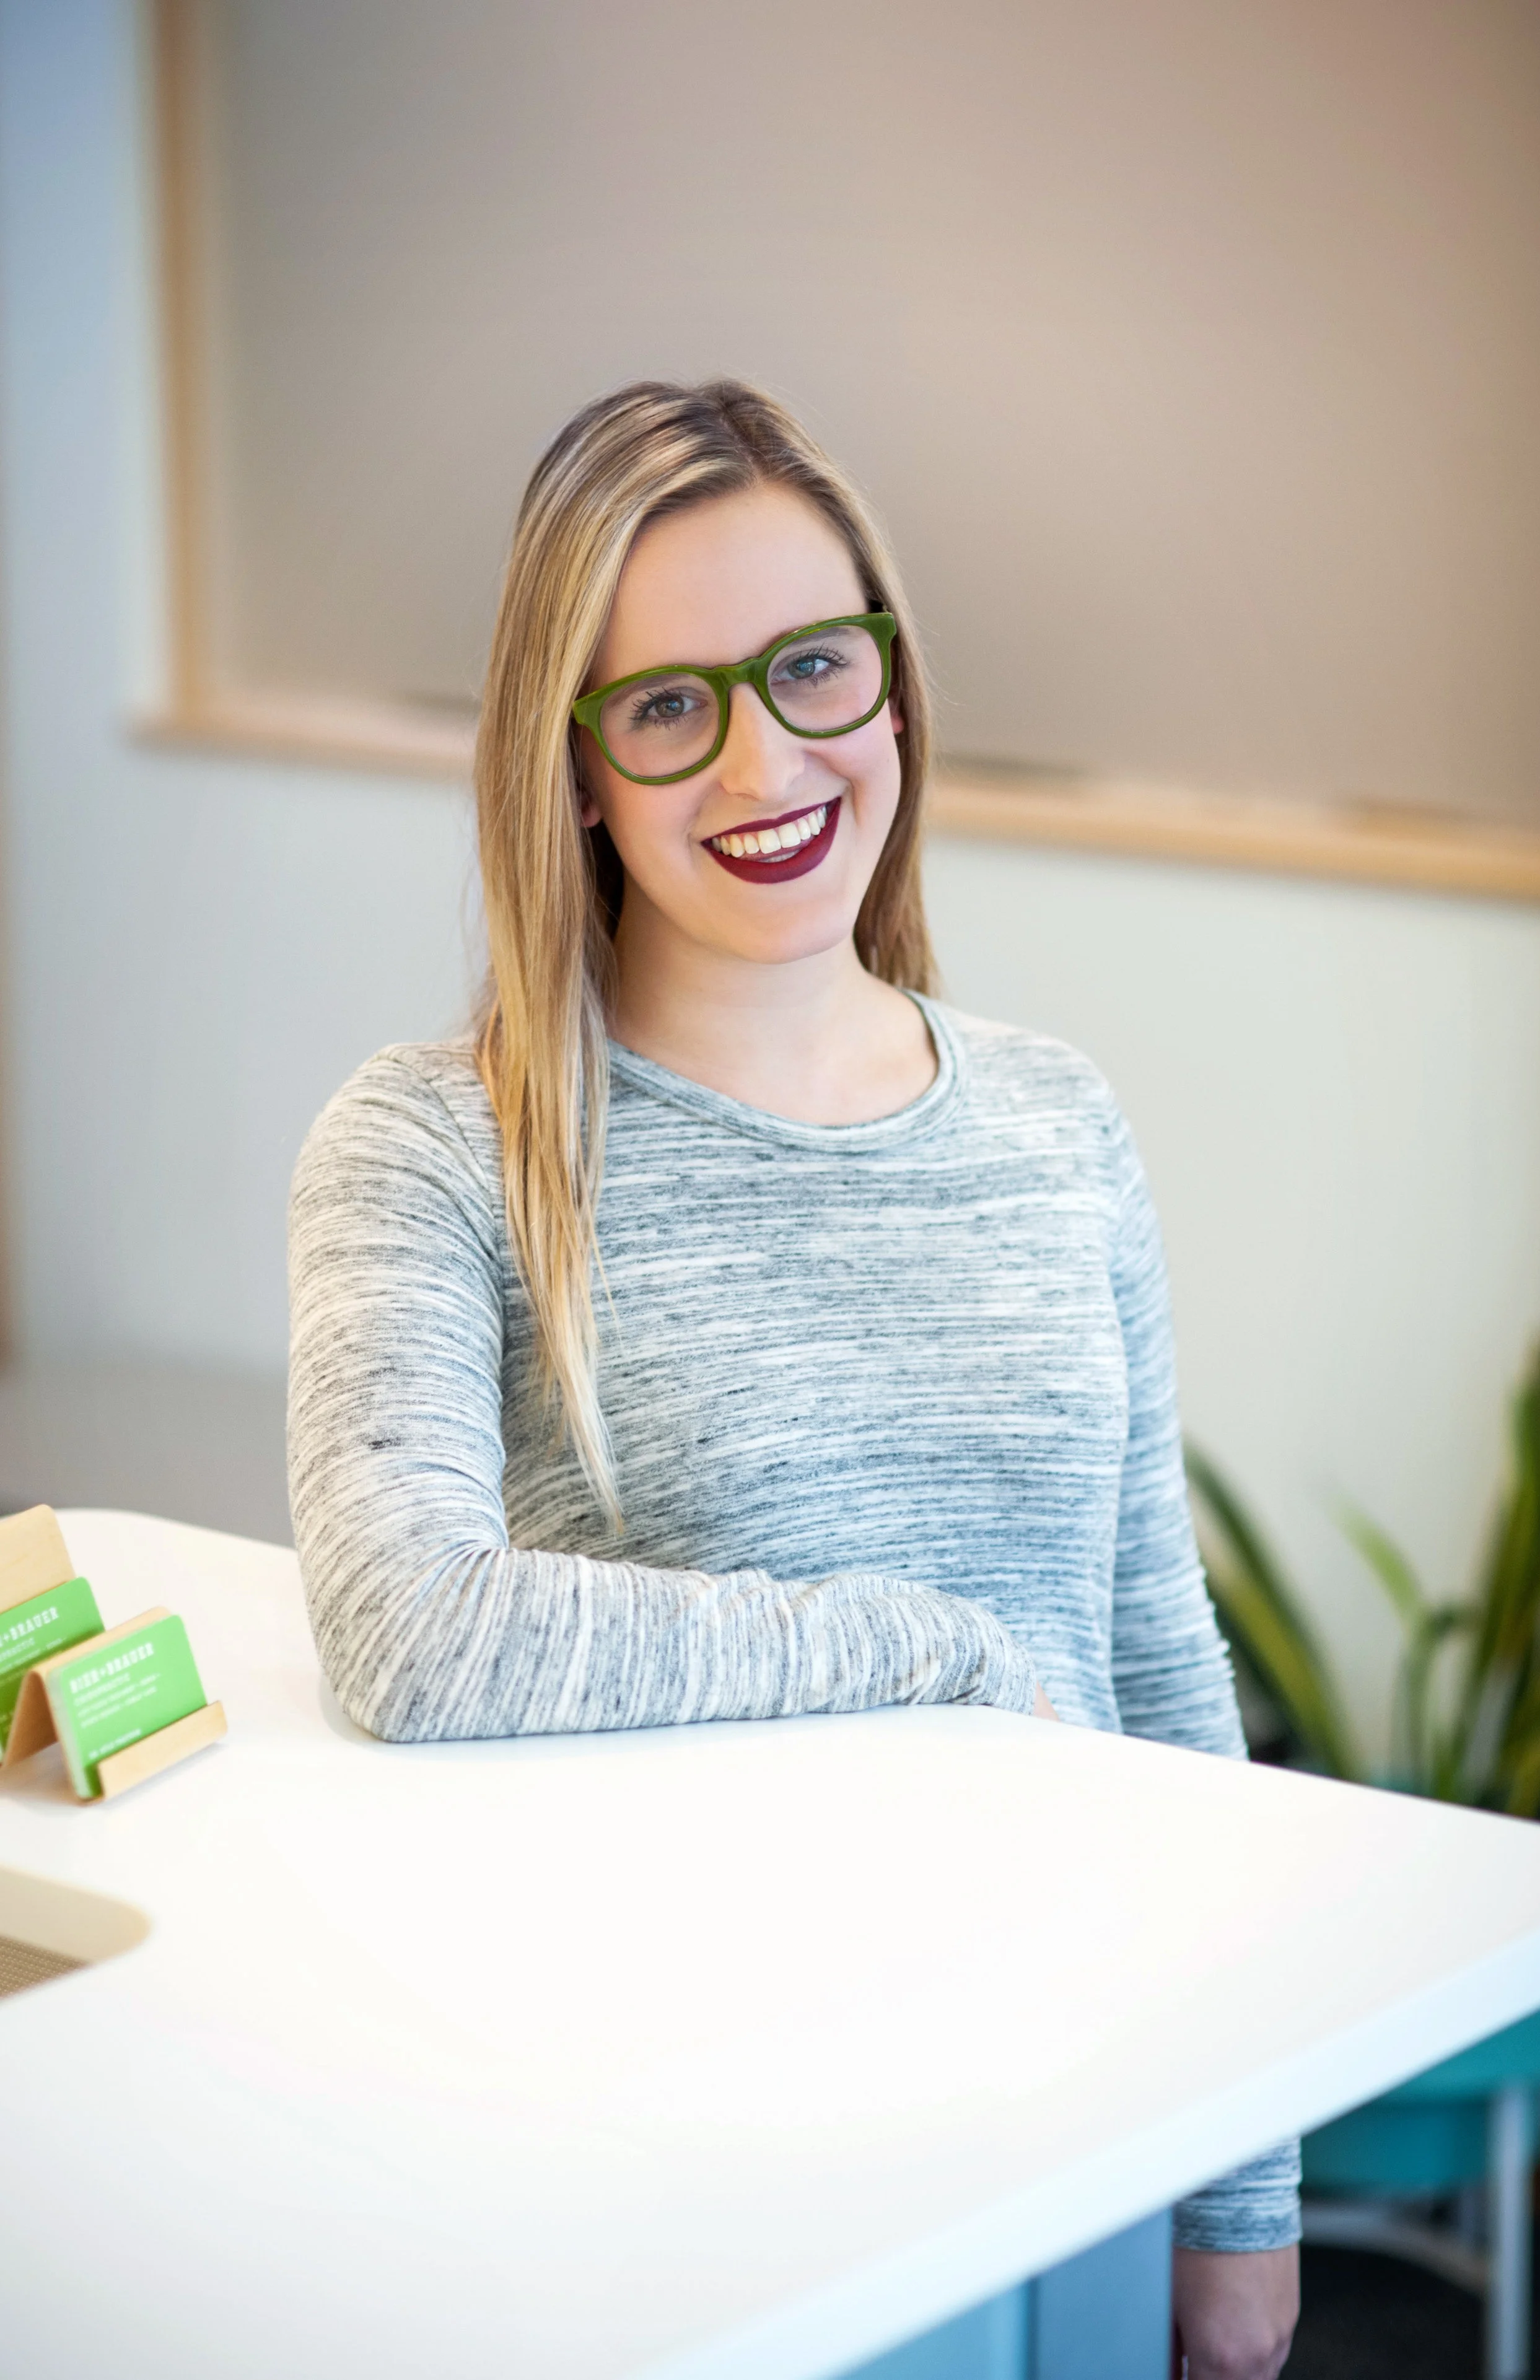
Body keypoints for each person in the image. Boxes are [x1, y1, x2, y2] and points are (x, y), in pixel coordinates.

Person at [287, 379, 1300, 2380]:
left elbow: (1151, 1657)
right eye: (669, 704)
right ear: (575, 767)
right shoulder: (434, 1145)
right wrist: (920, 1646)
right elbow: (407, 1629)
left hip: (1084, 2103)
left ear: (893, 686)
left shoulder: (1056, 1120)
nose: (765, 759)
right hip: (673, 2171)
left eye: (812, 667)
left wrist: (1238, 2193)